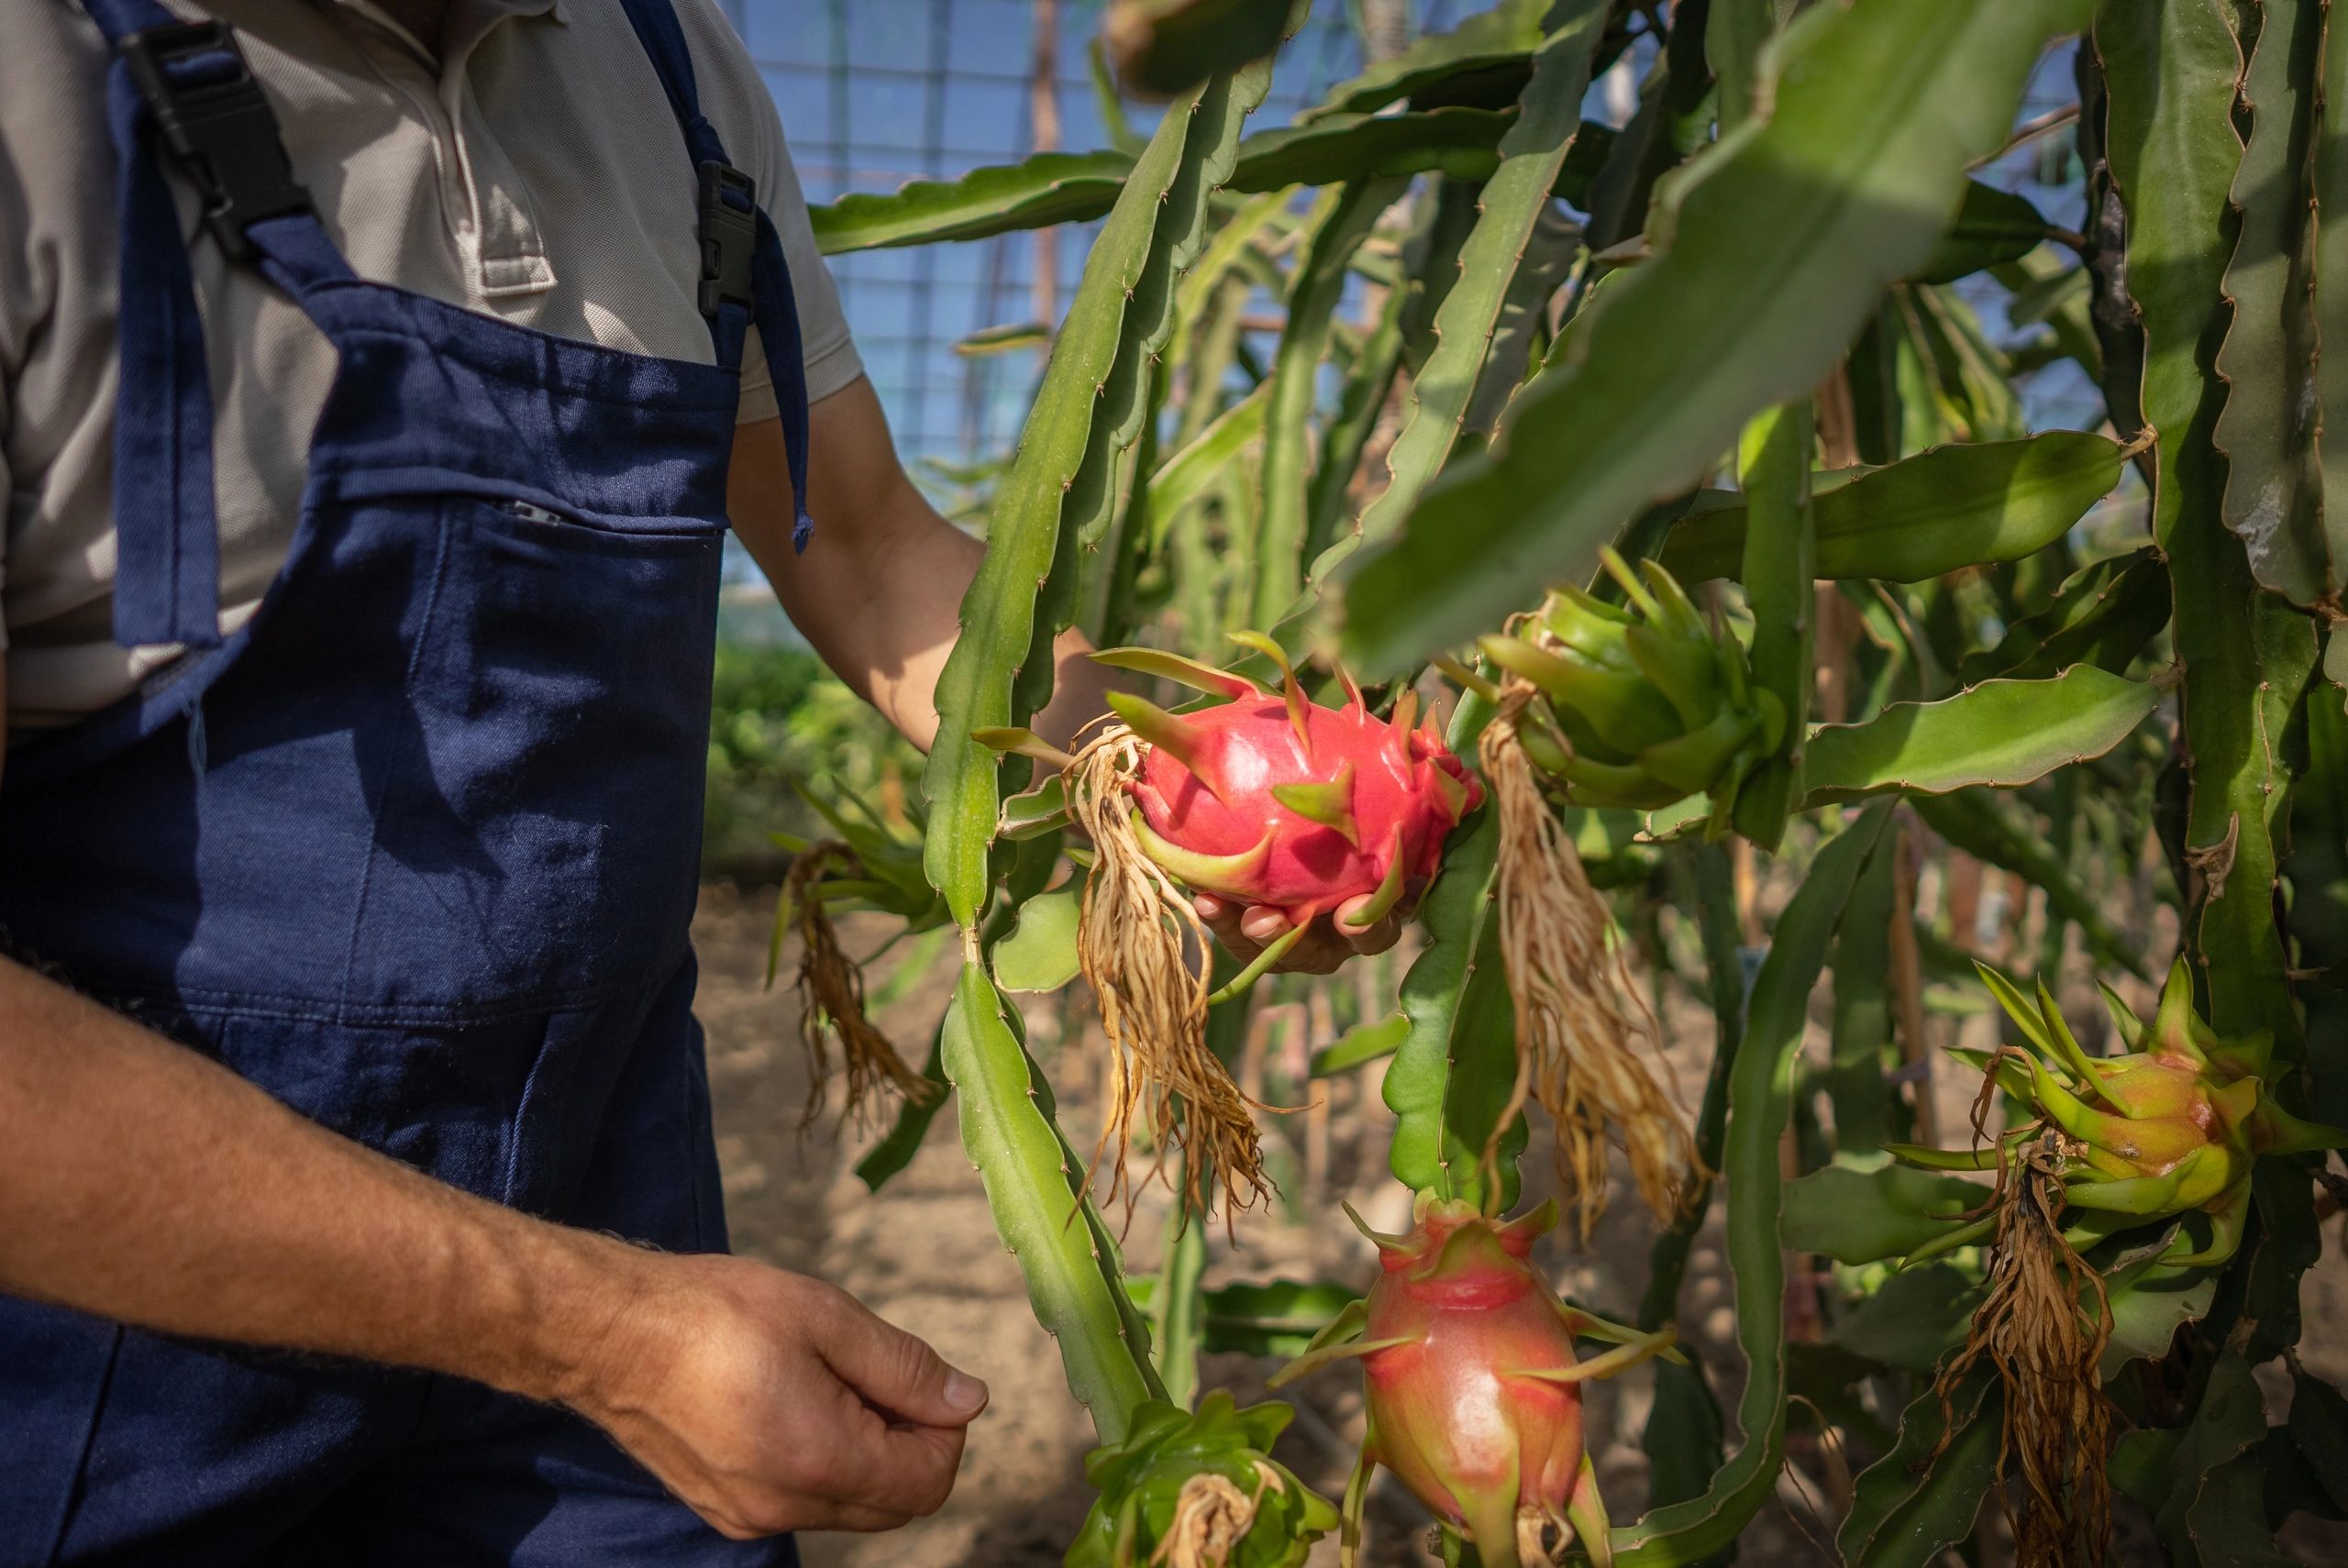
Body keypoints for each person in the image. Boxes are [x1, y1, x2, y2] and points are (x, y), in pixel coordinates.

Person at [0, 0, 1407, 1561]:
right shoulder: (30, 80)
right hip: (119, 1311)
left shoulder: (669, 70)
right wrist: (590, 1334)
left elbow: (867, 550)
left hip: (611, 1189)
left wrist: (1176, 791)